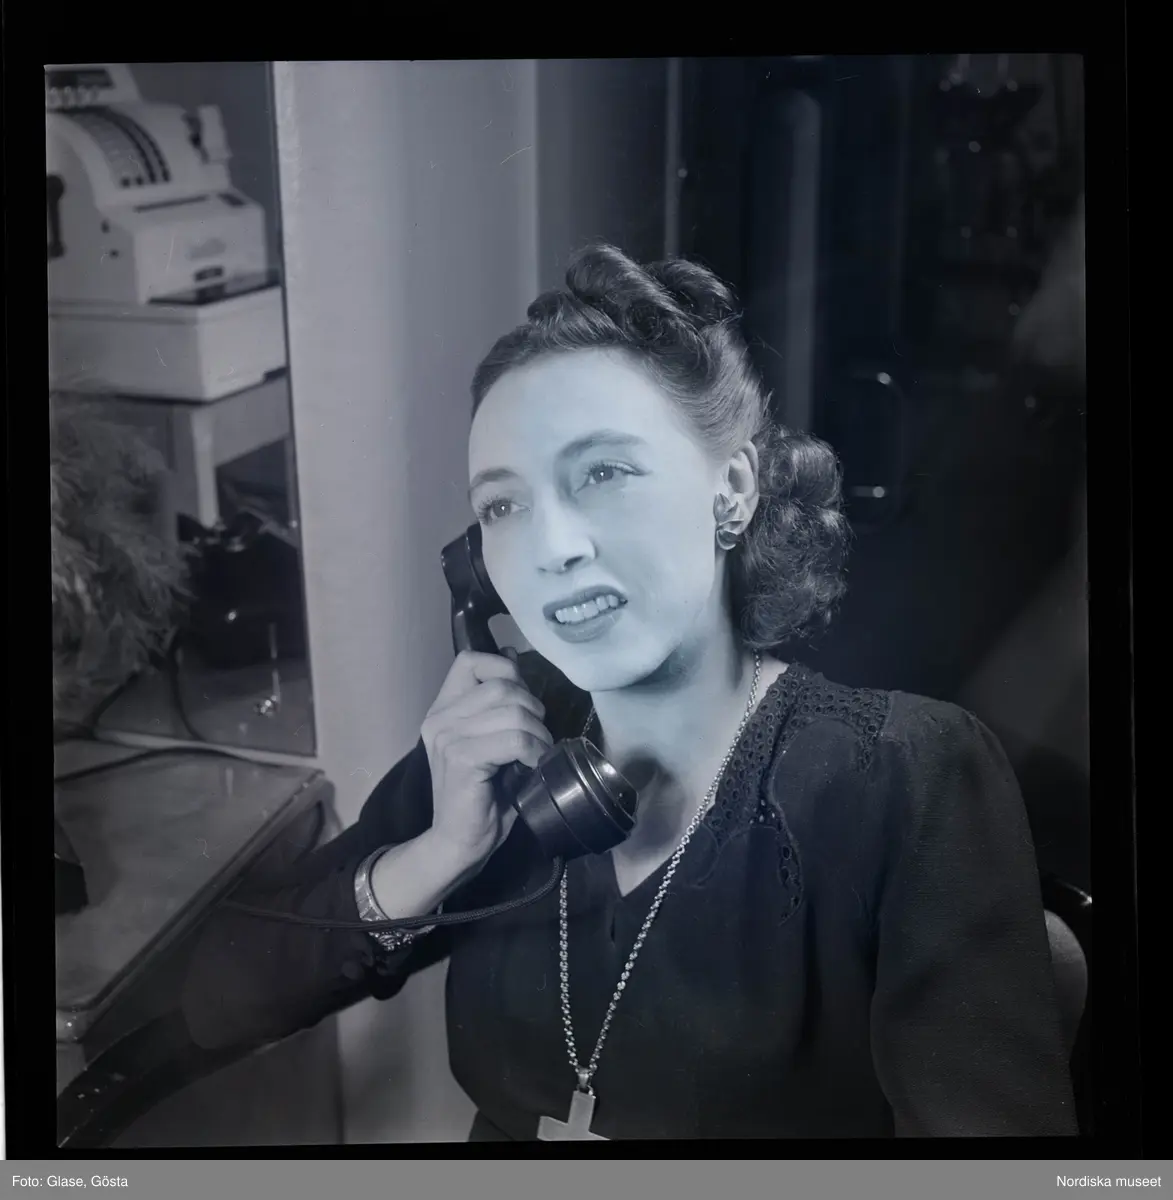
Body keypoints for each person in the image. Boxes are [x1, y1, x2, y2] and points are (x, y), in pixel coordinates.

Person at [181, 244, 1077, 1140]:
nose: (552, 547)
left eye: (603, 473)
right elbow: (217, 1000)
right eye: (503, 505)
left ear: (731, 491)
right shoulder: (503, 749)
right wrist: (441, 850)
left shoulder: (906, 777)